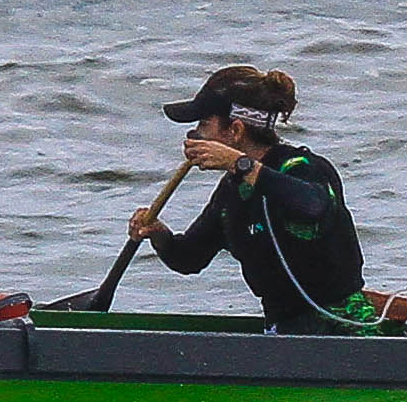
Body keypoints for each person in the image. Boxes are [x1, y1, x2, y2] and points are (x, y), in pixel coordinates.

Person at [134, 64, 377, 332]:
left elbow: (313, 206)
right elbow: (189, 258)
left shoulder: (304, 167)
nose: (194, 135)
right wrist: (157, 234)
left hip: (342, 326)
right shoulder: (232, 192)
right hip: (281, 331)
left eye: (203, 124)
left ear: (235, 130)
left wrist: (241, 164)